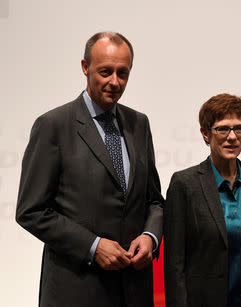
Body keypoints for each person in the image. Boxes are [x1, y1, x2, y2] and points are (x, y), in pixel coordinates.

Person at [16, 32, 164, 307]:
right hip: (76, 290)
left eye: (123, 73)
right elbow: (31, 211)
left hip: (134, 291)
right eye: (105, 72)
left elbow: (154, 200)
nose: (115, 82)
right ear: (85, 67)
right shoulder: (53, 125)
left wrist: (150, 236)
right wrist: (93, 246)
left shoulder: (139, 124)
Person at [164, 93, 241, 307]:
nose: (232, 137)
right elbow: (175, 267)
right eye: (222, 128)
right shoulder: (184, 184)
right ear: (205, 133)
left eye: (239, 128)